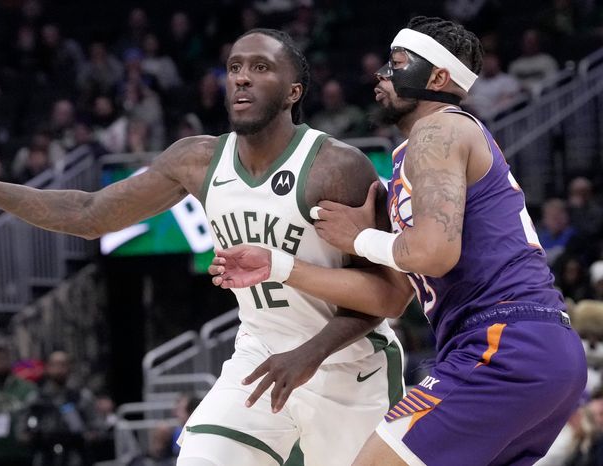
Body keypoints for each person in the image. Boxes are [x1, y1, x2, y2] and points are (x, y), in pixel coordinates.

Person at [0, 28, 412, 465]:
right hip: (260, 355)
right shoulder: (197, 160)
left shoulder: (337, 167)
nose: (241, 78)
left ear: (293, 91)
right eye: (234, 67)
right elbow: (88, 215)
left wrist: (311, 352)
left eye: (260, 68)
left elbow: (386, 296)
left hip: (348, 366)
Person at [209, 16, 587, 466]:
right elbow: (398, 288)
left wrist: (361, 238)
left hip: (503, 343)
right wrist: (282, 266)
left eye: (398, 64)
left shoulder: (440, 130)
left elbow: (434, 254)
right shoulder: (428, 151)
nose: (382, 74)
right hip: (535, 349)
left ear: (439, 77)